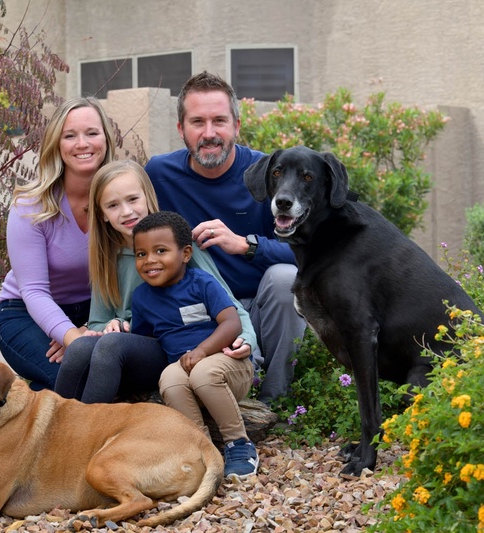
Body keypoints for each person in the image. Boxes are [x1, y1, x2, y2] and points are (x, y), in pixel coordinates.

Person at [145, 71, 307, 404]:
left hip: (257, 307)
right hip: (195, 311)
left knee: (284, 279)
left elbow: (307, 251)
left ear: (236, 125)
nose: (209, 133)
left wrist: (247, 246)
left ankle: (275, 398)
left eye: (219, 121)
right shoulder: (159, 175)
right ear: (181, 129)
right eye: (197, 122)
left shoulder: (269, 173)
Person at [54, 160, 256, 405]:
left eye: (133, 199)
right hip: (133, 352)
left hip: (181, 349)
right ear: (103, 215)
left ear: (148, 198)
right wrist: (114, 323)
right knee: (79, 348)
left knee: (110, 345)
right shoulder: (108, 258)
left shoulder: (178, 245)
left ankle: (88, 433)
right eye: (113, 205)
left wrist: (245, 340)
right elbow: (98, 321)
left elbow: (230, 305)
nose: (126, 212)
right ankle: (56, 427)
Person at [0, 96, 117, 391]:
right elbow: (34, 290)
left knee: (111, 376)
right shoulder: (31, 206)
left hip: (95, 312)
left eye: (92, 133)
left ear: (106, 139)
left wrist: (90, 328)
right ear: (56, 145)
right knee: (73, 381)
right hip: (26, 313)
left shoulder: (121, 197)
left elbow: (133, 273)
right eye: (70, 135)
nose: (83, 143)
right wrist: (72, 340)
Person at [130, 211, 258, 479]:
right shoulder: (141, 297)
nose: (149, 260)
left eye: (160, 251)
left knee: (203, 372)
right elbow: (143, 339)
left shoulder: (202, 283)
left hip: (227, 365)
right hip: (184, 367)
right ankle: (199, 449)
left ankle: (239, 443)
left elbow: (231, 323)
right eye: (141, 254)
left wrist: (201, 351)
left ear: (186, 254)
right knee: (170, 378)